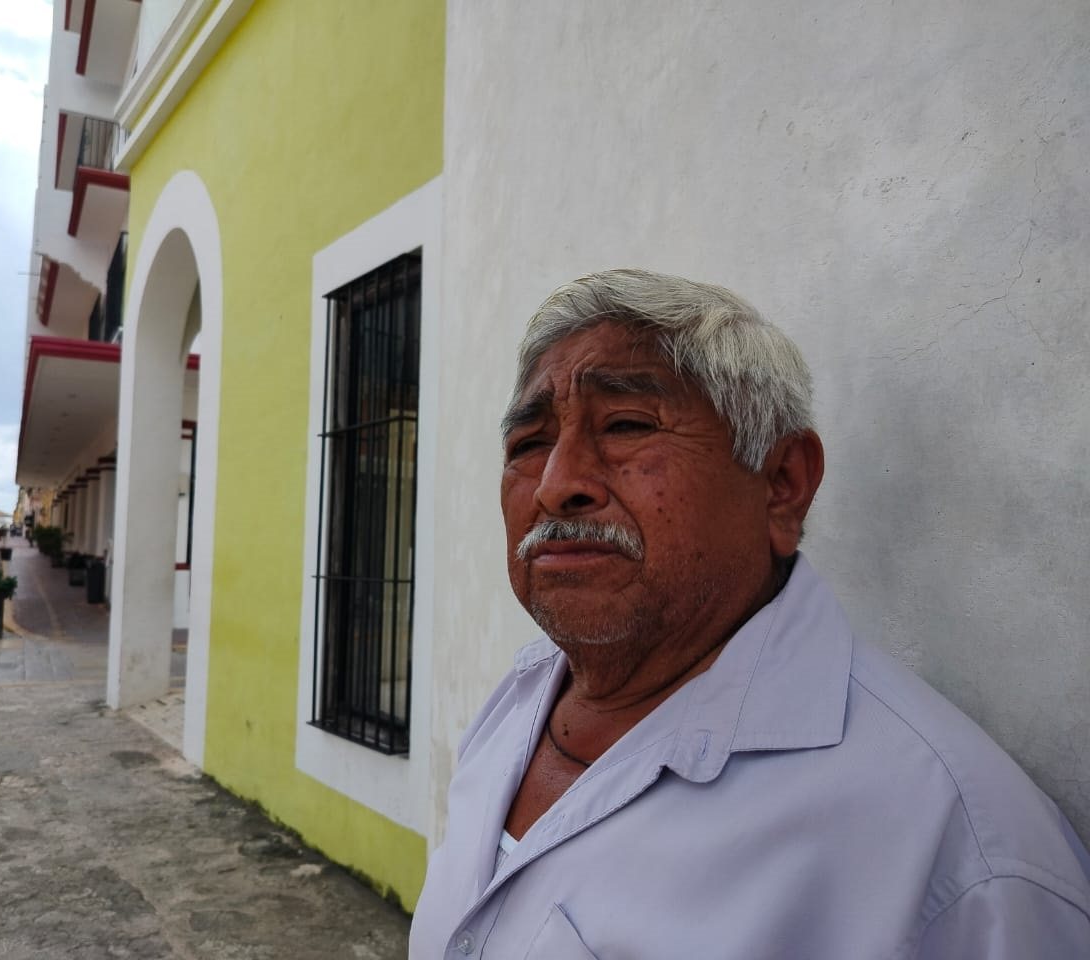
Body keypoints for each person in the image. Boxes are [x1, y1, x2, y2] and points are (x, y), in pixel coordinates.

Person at [409, 270, 1090, 958]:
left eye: (626, 425)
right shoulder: (518, 701)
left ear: (781, 484)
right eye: (529, 444)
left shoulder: (957, 858)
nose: (557, 486)